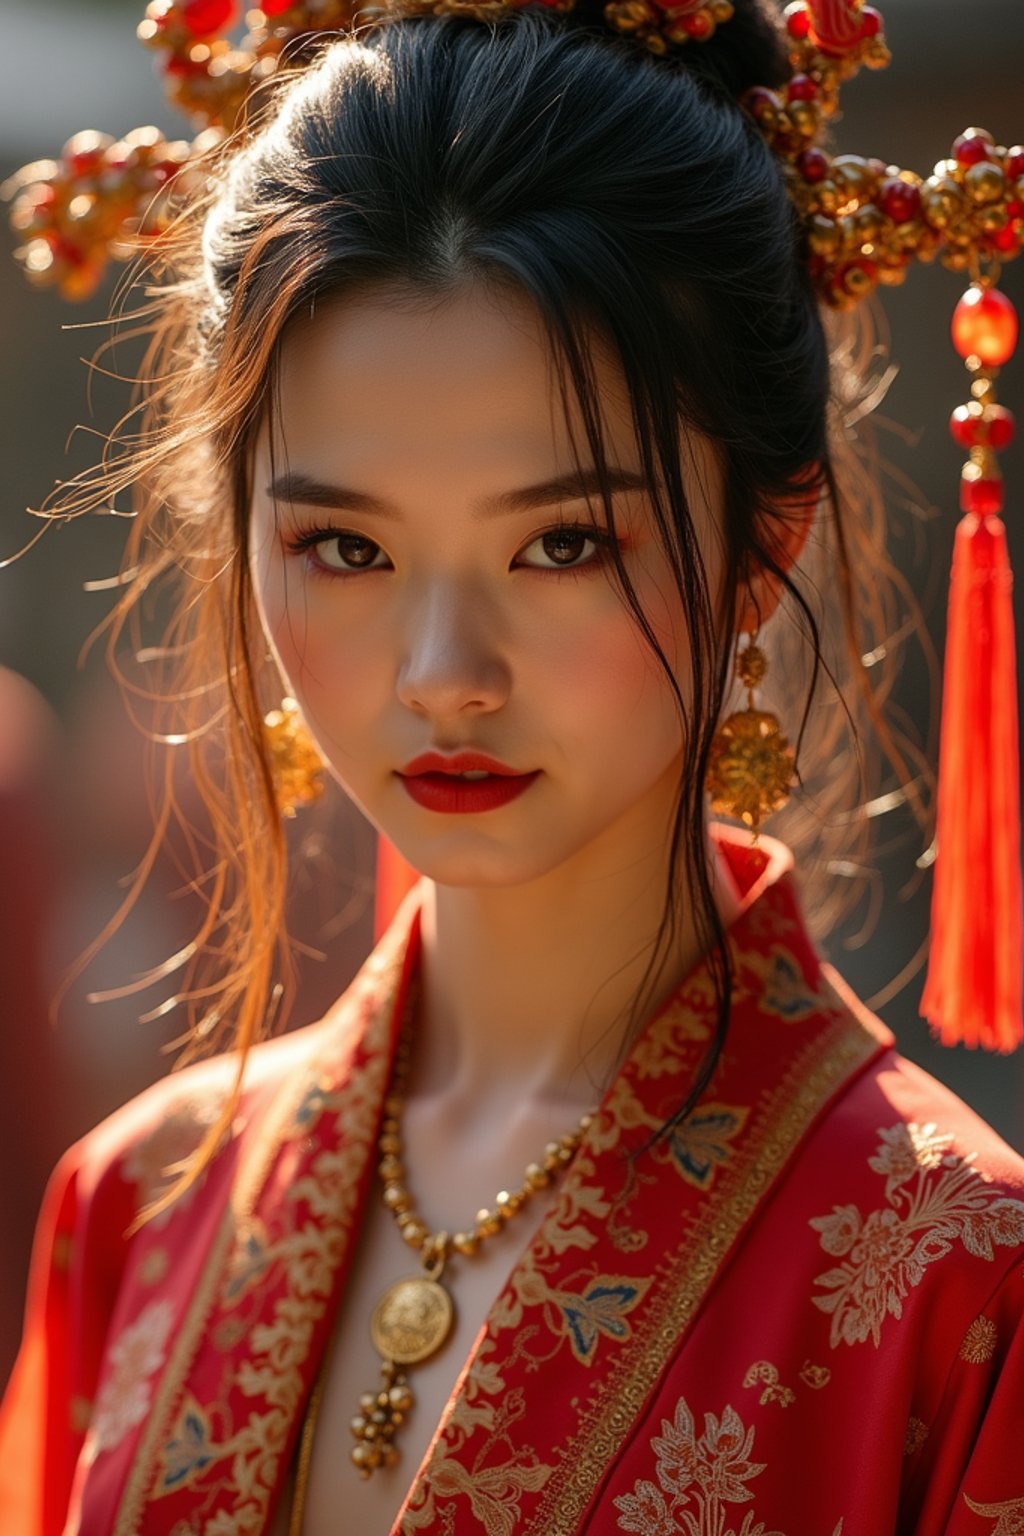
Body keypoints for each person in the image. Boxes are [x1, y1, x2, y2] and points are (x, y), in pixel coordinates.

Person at [1, 1, 1023, 1532]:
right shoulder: (138, 1211)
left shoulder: (959, 1282)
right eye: (344, 548)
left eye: (564, 543)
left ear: (767, 537)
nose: (441, 674)